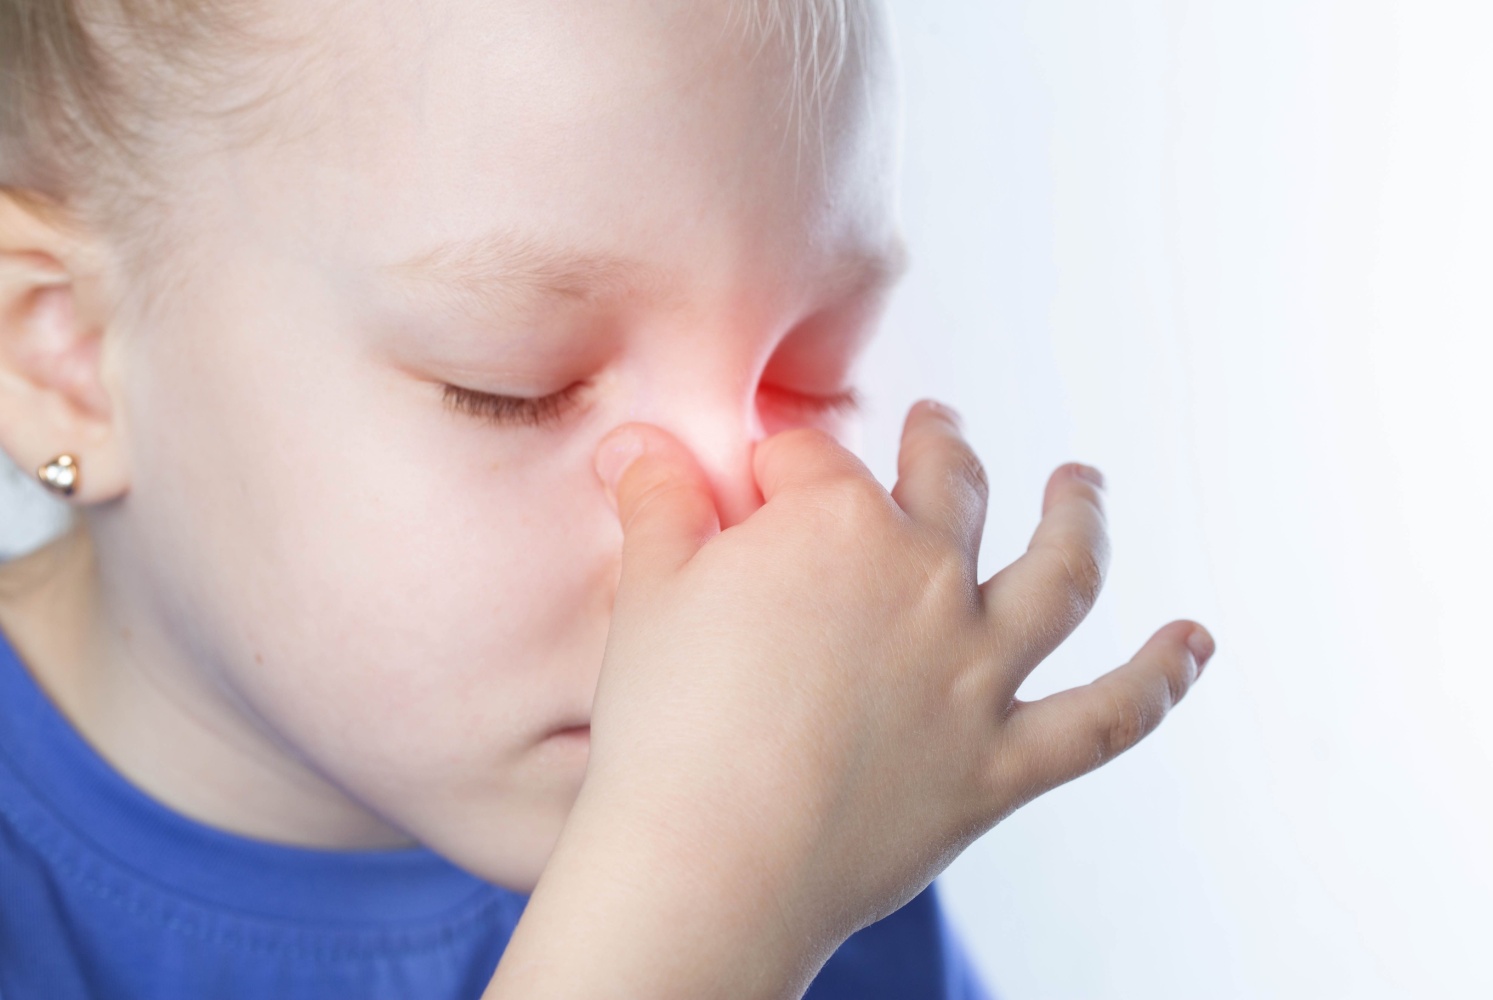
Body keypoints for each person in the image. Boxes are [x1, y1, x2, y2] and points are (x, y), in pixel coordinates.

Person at [0, 0, 1215, 996]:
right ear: (66, 355)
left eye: (808, 376)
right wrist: (701, 908)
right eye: (515, 388)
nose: (736, 524)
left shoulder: (799, 792)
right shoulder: (746, 853)